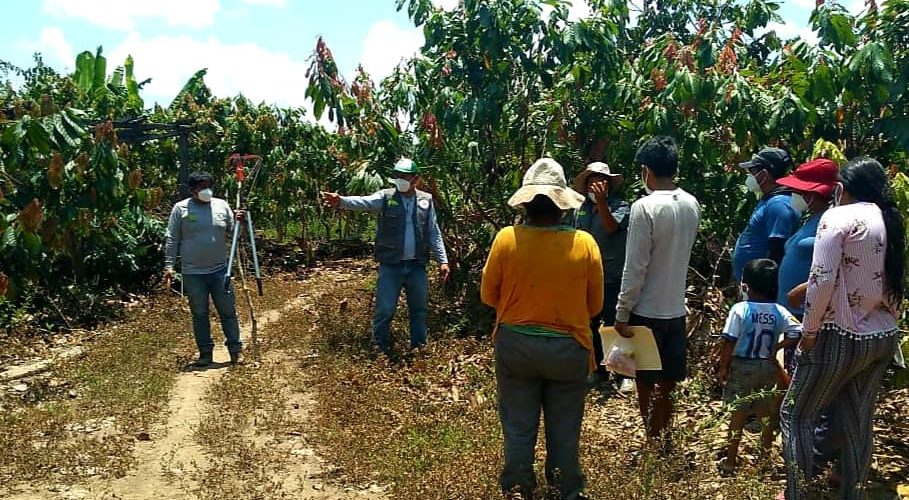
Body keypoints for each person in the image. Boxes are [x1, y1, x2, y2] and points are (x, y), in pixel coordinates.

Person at [780, 157, 905, 500]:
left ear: (840, 189)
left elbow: (821, 279)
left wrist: (808, 333)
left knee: (797, 415)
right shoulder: (888, 219)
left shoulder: (837, 217)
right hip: (880, 336)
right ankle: (854, 492)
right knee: (857, 423)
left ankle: (799, 494)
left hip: (839, 335)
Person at [481, 157, 602, 500]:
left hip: (516, 345)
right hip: (569, 348)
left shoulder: (506, 239)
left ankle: (519, 487)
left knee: (519, 425)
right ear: (562, 204)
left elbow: (489, 296)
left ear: (526, 203)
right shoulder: (585, 243)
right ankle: (566, 488)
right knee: (565, 428)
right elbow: (594, 307)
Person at [614, 136, 701, 442]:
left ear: (646, 170)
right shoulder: (691, 204)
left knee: (645, 383)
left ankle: (654, 442)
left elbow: (635, 266)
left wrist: (622, 312)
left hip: (646, 311)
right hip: (675, 310)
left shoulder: (644, 207)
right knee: (667, 385)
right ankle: (664, 438)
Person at [321, 158, 450, 354]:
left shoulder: (426, 200)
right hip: (391, 265)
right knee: (385, 310)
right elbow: (364, 202)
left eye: (404, 176)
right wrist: (341, 201)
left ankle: (419, 348)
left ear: (415, 179)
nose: (400, 180)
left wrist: (443, 260)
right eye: (397, 176)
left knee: (419, 310)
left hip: (416, 266)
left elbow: (433, 232)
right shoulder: (386, 197)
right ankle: (379, 347)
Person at [717, 259, 801, 474]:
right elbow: (797, 332)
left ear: (745, 285)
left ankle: (730, 460)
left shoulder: (739, 309)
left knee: (738, 413)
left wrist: (723, 366)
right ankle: (763, 460)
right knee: (766, 413)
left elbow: (729, 340)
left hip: (743, 365)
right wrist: (778, 346)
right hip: (767, 366)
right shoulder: (778, 311)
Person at [164, 171, 244, 366]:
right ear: (192, 190)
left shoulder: (222, 206)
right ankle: (205, 353)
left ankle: (235, 350)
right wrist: (169, 266)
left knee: (228, 311)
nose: (205, 190)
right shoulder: (181, 209)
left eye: (208, 185)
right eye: (200, 187)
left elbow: (235, 235)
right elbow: (172, 238)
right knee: (199, 313)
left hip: (219, 271)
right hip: (193, 273)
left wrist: (240, 221)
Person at [773, 158, 839, 370]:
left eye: (798, 191)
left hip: (807, 313)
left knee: (800, 371)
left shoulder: (832, 221)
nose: (794, 195)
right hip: (792, 312)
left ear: (811, 195)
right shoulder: (811, 219)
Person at [572, 161, 631, 389]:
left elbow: (610, 227)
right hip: (587, 276)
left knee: (615, 323)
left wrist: (603, 203)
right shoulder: (581, 208)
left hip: (612, 275)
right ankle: (599, 371)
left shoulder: (621, 206)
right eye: (592, 181)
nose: (597, 185)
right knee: (590, 324)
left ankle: (624, 373)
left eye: (601, 181)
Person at [732, 147, 800, 284]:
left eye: (753, 171)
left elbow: (777, 250)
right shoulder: (770, 200)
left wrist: (762, 287)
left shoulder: (779, 204)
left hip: (760, 289)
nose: (750, 176)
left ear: (764, 174)